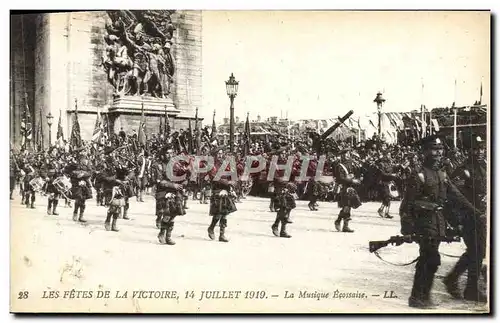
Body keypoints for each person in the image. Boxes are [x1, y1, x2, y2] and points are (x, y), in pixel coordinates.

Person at [400, 135, 485, 308]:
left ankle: (422, 296)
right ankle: (417, 296)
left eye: (440, 149)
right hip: (424, 222)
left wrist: (476, 213)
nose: (438, 153)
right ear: (424, 152)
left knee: (432, 259)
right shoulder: (420, 175)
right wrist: (407, 228)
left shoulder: (442, 174)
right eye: (434, 149)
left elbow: (458, 197)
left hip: (438, 221)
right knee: (429, 258)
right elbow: (407, 205)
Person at [443, 135, 487, 302]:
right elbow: (453, 197)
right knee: (477, 251)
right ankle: (469, 289)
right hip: (469, 217)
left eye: (481, 148)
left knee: (478, 251)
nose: (480, 152)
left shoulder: (483, 167)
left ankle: (454, 280)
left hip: (482, 216)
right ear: (467, 151)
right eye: (475, 149)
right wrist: (457, 221)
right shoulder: (463, 170)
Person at [333, 149, 362, 233]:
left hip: (351, 187)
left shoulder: (351, 164)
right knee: (346, 206)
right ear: (342, 155)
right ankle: (340, 222)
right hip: (343, 188)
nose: (347, 155)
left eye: (348, 154)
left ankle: (344, 225)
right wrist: (352, 180)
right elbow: (340, 178)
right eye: (345, 154)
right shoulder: (339, 166)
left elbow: (355, 173)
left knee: (349, 206)